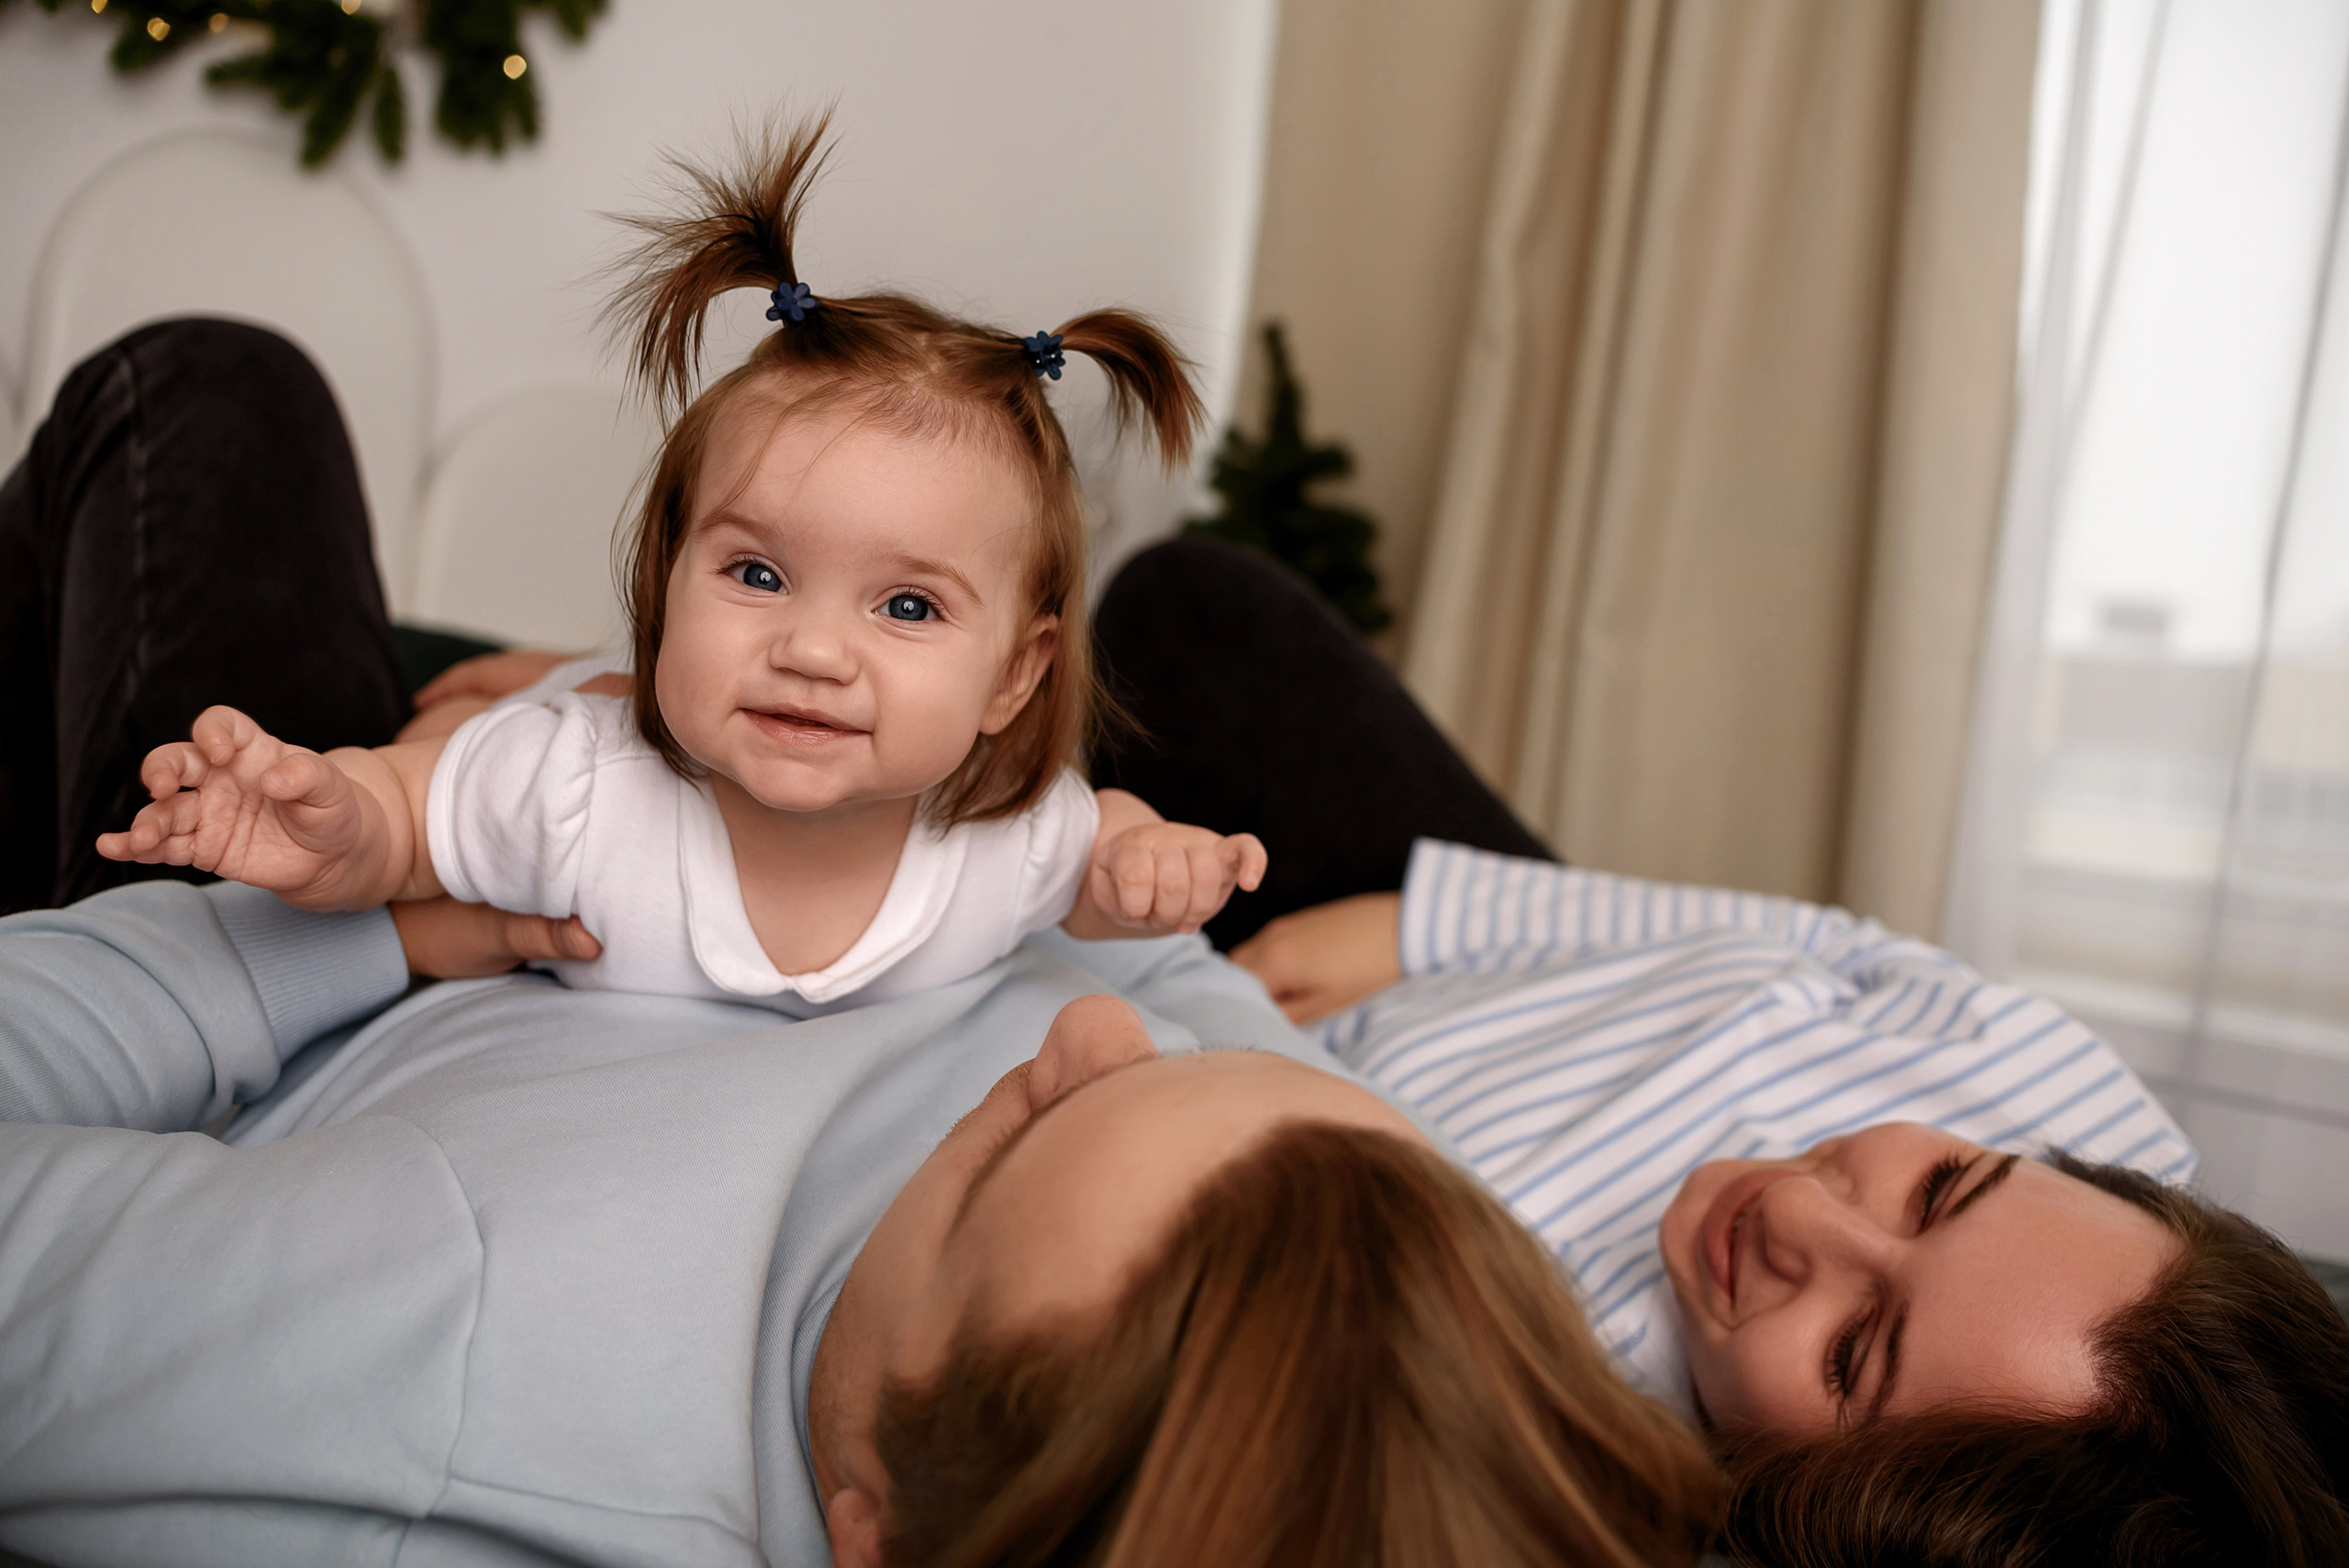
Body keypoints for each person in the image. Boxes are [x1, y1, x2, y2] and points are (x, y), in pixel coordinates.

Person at [5, 321, 2343, 1564]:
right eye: (1928, 1183)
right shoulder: (1232, 1107)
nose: (1803, 1214)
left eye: (1851, 1354)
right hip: (723, 935)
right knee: (1210, 620)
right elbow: (1200, 987)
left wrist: (391, 916)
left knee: (199, 396)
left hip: (332, 1029)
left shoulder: (1395, 1402)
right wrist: (660, 772)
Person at [93, 119, 1266, 1016]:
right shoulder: (572, 788)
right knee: (443, 719)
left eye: (906, 603)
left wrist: (1142, 865)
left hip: (600, 685)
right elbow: (407, 817)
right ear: (663, 578)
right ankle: (552, 674)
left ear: (1015, 676)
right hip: (544, 710)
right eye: (756, 574)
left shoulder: (1000, 838)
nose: (811, 649)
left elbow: (1089, 858)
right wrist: (330, 823)